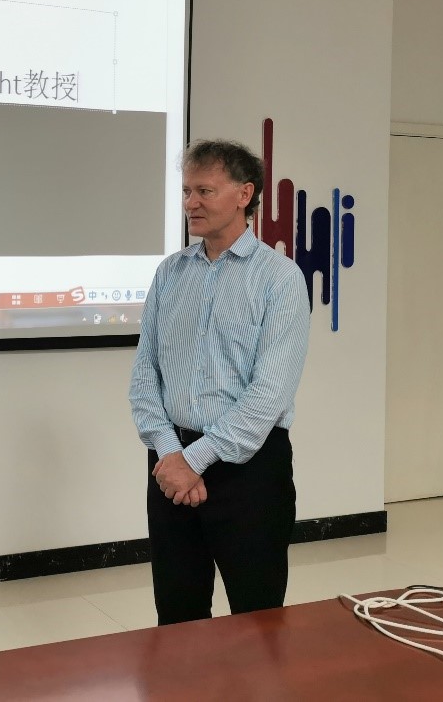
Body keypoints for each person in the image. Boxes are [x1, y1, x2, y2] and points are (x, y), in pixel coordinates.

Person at [129, 139, 311, 625]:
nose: (191, 203)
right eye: (187, 191)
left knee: (257, 622)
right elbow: (145, 376)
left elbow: (268, 394)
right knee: (178, 617)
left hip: (248, 471)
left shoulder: (279, 279)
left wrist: (194, 460)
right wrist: (172, 454)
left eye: (204, 191)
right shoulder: (170, 273)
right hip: (169, 466)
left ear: (244, 194)